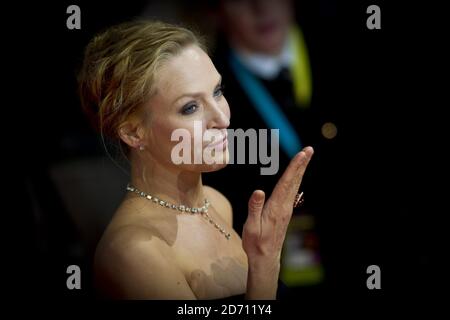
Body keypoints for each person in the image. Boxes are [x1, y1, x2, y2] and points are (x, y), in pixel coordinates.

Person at [78, 20, 313, 300]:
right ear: (133, 132)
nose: (223, 118)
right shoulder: (134, 252)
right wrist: (265, 266)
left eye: (217, 91)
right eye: (190, 107)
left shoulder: (216, 203)